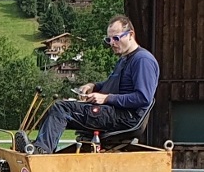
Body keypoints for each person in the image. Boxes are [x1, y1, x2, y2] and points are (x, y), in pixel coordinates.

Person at [18, 15, 159, 155]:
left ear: (130, 35)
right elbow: (112, 84)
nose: (111, 43)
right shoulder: (124, 60)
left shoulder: (142, 60)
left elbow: (143, 98)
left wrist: (106, 98)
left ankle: (41, 151)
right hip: (114, 112)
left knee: (62, 108)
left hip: (126, 117)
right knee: (56, 107)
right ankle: (38, 146)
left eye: (116, 38)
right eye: (108, 39)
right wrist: (94, 86)